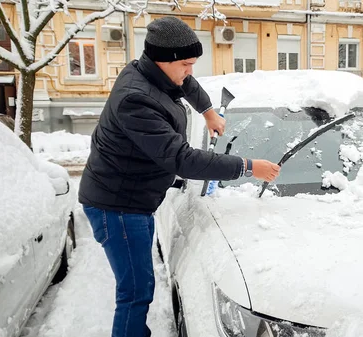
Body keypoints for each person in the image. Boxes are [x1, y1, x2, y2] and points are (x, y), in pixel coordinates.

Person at [78, 16, 280, 337]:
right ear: (162, 60)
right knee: (135, 292)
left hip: (133, 198)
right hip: (116, 206)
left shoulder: (153, 73)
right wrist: (247, 166)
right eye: (186, 63)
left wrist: (208, 110)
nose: (190, 71)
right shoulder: (135, 99)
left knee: (139, 284)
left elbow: (185, 83)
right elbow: (182, 159)